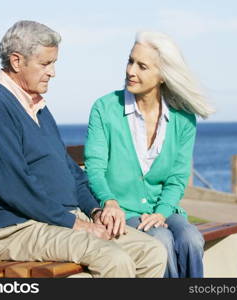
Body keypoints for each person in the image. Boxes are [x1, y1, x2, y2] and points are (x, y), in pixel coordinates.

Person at [0, 21, 167, 278]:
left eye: (54, 63)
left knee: (152, 251)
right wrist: (76, 224)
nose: (52, 72)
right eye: (45, 64)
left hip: (54, 219)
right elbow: (14, 187)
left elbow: (70, 171)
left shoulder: (37, 107)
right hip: (16, 228)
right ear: (16, 61)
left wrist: (95, 211)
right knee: (113, 258)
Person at [85, 31, 215, 278]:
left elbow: (177, 178)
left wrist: (161, 212)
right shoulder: (105, 108)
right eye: (130, 61)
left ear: (163, 76)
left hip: (163, 210)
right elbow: (95, 168)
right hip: (122, 213)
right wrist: (109, 201)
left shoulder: (183, 119)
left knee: (191, 239)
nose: (131, 71)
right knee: (161, 240)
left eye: (142, 66)